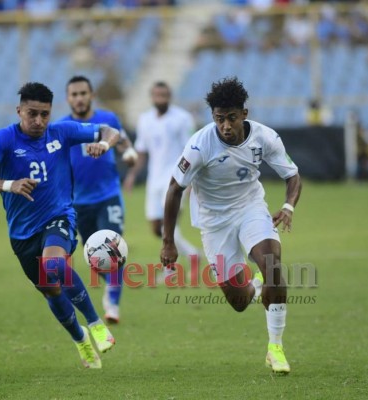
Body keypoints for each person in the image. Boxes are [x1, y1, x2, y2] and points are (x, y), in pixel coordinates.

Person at [0, 82, 120, 369]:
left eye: (45, 114)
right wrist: (10, 185)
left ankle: (96, 324)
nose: (39, 121)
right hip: (22, 233)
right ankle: (80, 339)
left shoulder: (62, 132)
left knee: (55, 265)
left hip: (59, 216)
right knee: (50, 290)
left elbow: (110, 131)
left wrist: (103, 144)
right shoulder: (3, 139)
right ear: (19, 110)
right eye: (32, 114)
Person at [160, 77, 302, 374]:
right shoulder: (200, 144)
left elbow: (292, 174)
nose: (225, 125)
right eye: (219, 118)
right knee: (239, 302)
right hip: (214, 222)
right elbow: (174, 188)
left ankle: (275, 347)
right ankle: (254, 284)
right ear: (213, 117)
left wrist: (288, 206)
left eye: (232, 118)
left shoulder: (265, 138)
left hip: (251, 208)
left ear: (244, 114)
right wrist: (168, 241)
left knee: (273, 266)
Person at [59, 75, 137, 324]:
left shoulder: (107, 119)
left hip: (108, 196)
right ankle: (112, 284)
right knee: (94, 256)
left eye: (83, 93)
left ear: (91, 95)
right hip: (78, 202)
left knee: (112, 248)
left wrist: (129, 154)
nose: (79, 98)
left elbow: (123, 142)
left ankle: (112, 303)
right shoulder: (62, 127)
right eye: (74, 94)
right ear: (68, 98)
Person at [124, 81, 200, 274]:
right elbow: (142, 150)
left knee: (169, 224)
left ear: (170, 96)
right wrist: (132, 175)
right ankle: (191, 253)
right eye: (157, 95)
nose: (161, 99)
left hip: (175, 179)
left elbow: (190, 151)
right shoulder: (145, 119)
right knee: (156, 227)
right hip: (154, 178)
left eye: (164, 95)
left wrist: (190, 181)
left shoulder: (182, 118)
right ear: (152, 97)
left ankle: (170, 269)